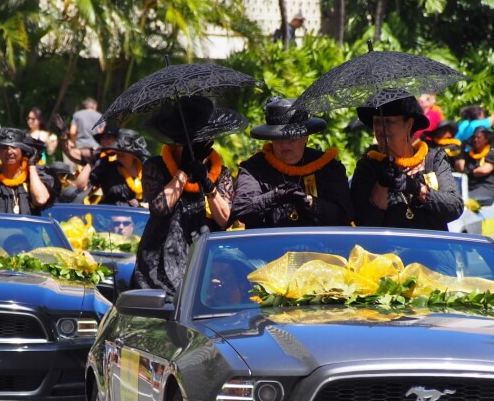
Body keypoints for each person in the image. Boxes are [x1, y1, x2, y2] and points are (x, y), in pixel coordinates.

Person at [132, 96, 243, 295]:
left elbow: (225, 219)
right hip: (161, 262)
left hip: (204, 262)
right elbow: (159, 208)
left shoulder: (222, 173)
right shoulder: (155, 166)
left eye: (203, 140)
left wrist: (207, 184)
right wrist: (183, 172)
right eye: (190, 140)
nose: (197, 146)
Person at [232, 97, 353, 228]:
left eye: (292, 138)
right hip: (269, 245)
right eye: (278, 138)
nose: (285, 144)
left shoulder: (329, 167)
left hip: (318, 245)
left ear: (305, 136)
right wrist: (275, 196)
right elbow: (242, 209)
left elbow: (345, 215)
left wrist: (310, 202)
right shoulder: (254, 168)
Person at [350, 91, 463, 230]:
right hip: (386, 250)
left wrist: (416, 187)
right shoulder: (368, 166)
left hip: (432, 249)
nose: (380, 129)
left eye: (388, 122)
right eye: (377, 122)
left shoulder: (434, 160)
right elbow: (364, 223)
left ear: (409, 124)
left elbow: (454, 208)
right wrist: (382, 184)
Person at [0, 128, 58, 215]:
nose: (9, 152)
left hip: (28, 228)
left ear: (22, 151)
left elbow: (40, 200)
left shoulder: (34, 177)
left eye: (14, 147)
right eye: (4, 148)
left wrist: (31, 165)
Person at [74, 128, 149, 207]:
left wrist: (142, 205)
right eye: (118, 149)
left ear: (134, 153)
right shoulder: (106, 166)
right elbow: (80, 186)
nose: (120, 152)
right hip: (109, 215)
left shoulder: (145, 169)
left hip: (136, 216)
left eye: (124, 150)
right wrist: (91, 162)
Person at [455, 126, 494, 205]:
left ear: (486, 139)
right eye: (474, 138)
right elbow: (460, 168)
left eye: (479, 137)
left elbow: (484, 170)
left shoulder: (491, 154)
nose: (475, 140)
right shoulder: (468, 155)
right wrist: (461, 154)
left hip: (487, 186)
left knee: (468, 199)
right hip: (469, 186)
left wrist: (468, 171)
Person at [67, 97, 103, 164]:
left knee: (80, 170)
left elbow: (72, 132)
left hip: (80, 147)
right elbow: (102, 131)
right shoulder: (99, 116)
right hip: (96, 148)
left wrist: (72, 142)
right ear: (94, 106)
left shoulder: (77, 115)